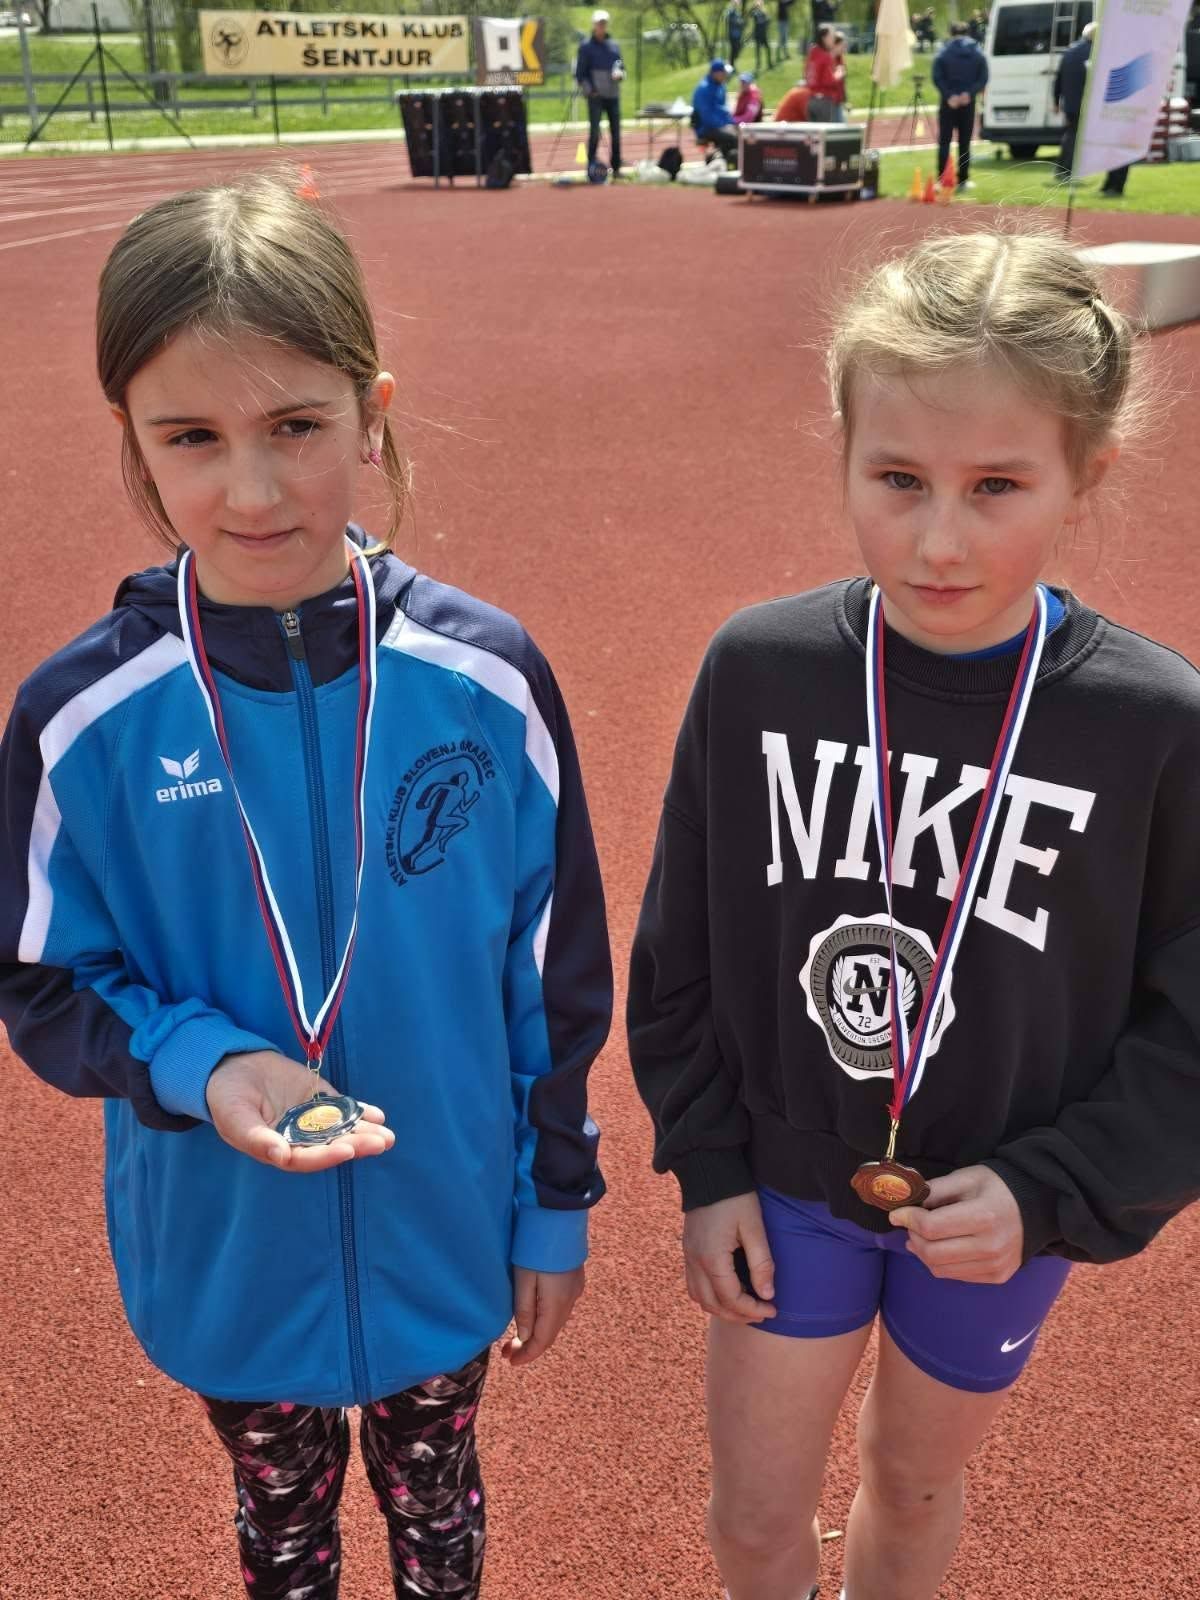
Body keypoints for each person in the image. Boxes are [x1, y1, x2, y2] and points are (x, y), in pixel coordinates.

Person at [0, 172, 611, 1600]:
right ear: (132, 438)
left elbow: (555, 974)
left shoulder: (488, 679)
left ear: (371, 410)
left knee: (438, 1500)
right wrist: (201, 1063)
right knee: (282, 1525)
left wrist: (554, 1202)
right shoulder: (82, 720)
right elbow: (38, 979)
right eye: (193, 438)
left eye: (295, 426)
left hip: (446, 1229)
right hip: (230, 1257)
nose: (253, 489)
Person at [629, 228, 1200, 1600]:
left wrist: (1052, 1189)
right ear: (843, 453)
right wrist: (708, 1166)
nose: (940, 539)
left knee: (913, 1483)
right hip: (786, 1186)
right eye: (898, 480)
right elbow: (678, 949)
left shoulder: (1153, 725)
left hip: (999, 1212)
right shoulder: (758, 671)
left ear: (1086, 472)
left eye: (997, 485)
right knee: (755, 1518)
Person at [1054, 22, 1130, 195]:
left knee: (1071, 136)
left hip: (1071, 104)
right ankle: (1112, 183)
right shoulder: (1099, 53)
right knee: (1108, 140)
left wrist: (1056, 100)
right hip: (1092, 105)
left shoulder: (1069, 52)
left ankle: (1063, 169)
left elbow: (1058, 80)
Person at [932, 19, 988, 187]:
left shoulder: (944, 51)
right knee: (965, 142)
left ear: (951, 33)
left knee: (944, 141)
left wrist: (949, 95)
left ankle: (941, 179)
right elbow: (983, 77)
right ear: (967, 33)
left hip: (948, 102)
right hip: (968, 102)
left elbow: (937, 76)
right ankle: (963, 179)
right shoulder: (977, 51)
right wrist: (969, 93)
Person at [576, 8, 626, 178]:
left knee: (616, 133)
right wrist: (590, 91)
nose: (602, 26)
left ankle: (616, 168)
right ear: (594, 25)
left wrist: (620, 74)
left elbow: (621, 67)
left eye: (604, 23)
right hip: (596, 97)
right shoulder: (586, 47)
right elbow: (580, 74)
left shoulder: (614, 46)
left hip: (613, 95)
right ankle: (591, 168)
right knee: (595, 133)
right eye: (599, 23)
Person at [693, 58, 740, 164]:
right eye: (723, 72)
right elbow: (706, 116)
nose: (725, 75)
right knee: (733, 137)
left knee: (741, 134)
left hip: (720, 125)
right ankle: (729, 164)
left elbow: (723, 111)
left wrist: (732, 123)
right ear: (716, 73)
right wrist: (724, 126)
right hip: (705, 127)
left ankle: (725, 161)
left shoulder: (721, 86)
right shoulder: (703, 89)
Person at [806, 24, 846, 120]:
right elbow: (829, 81)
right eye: (831, 36)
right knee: (831, 128)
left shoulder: (812, 52)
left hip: (810, 98)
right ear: (824, 38)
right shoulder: (825, 56)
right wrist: (839, 73)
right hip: (824, 100)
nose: (833, 40)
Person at [750, 0, 774, 73]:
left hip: (764, 34)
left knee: (768, 48)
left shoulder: (763, 13)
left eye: (760, 4)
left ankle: (769, 63)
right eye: (758, 5)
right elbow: (756, 19)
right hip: (758, 34)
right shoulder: (755, 13)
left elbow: (767, 22)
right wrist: (765, 20)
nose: (759, 6)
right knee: (758, 50)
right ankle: (758, 65)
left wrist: (767, 20)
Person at [725, 0, 746, 66]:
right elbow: (729, 20)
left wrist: (741, 23)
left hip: (738, 35)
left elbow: (740, 22)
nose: (737, 5)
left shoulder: (737, 13)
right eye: (736, 4)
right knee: (733, 50)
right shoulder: (730, 12)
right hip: (732, 34)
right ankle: (731, 65)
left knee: (736, 50)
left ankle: (731, 64)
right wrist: (738, 22)